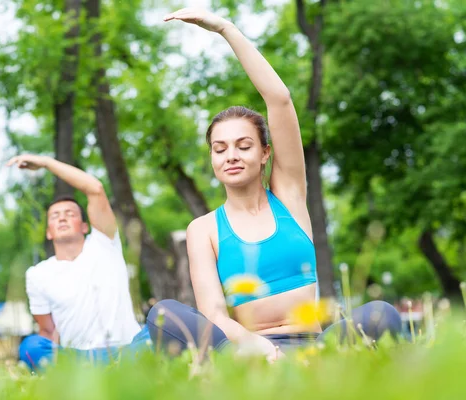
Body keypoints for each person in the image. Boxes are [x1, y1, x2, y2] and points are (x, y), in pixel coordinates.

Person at [145, 8, 402, 362]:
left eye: (243, 145)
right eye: (219, 149)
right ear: (212, 159)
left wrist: (225, 29)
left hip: (315, 349)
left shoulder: (290, 196)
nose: (231, 155)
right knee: (164, 315)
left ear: (266, 153)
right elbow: (215, 315)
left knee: (382, 315)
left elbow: (279, 99)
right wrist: (261, 349)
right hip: (250, 353)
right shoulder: (202, 229)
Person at [7, 154, 150, 369]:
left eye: (70, 214)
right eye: (55, 216)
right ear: (48, 232)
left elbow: (95, 189)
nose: (62, 218)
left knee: (165, 318)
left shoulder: (105, 243)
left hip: (128, 350)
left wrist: (46, 163)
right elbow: (47, 331)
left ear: (85, 226)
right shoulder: (37, 274)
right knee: (31, 346)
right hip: (78, 359)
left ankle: (121, 368)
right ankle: (83, 375)